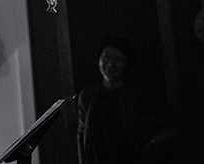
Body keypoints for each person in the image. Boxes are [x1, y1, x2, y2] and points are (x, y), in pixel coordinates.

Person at [77, 35, 182, 164]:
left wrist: (152, 143)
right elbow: (81, 134)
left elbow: (176, 121)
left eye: (118, 59)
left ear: (127, 64)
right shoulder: (87, 95)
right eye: (106, 56)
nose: (110, 63)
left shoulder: (137, 95)